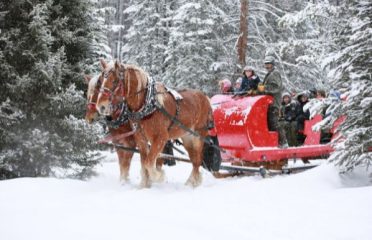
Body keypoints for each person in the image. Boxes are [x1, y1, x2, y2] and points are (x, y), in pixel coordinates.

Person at [261, 56, 288, 148]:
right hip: (268, 103)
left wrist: (264, 88)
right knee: (270, 123)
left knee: (274, 122)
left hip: (274, 103)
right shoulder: (269, 74)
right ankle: (274, 143)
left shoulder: (275, 73)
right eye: (266, 64)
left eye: (269, 64)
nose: (267, 66)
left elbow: (277, 87)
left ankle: (283, 142)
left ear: (273, 64)